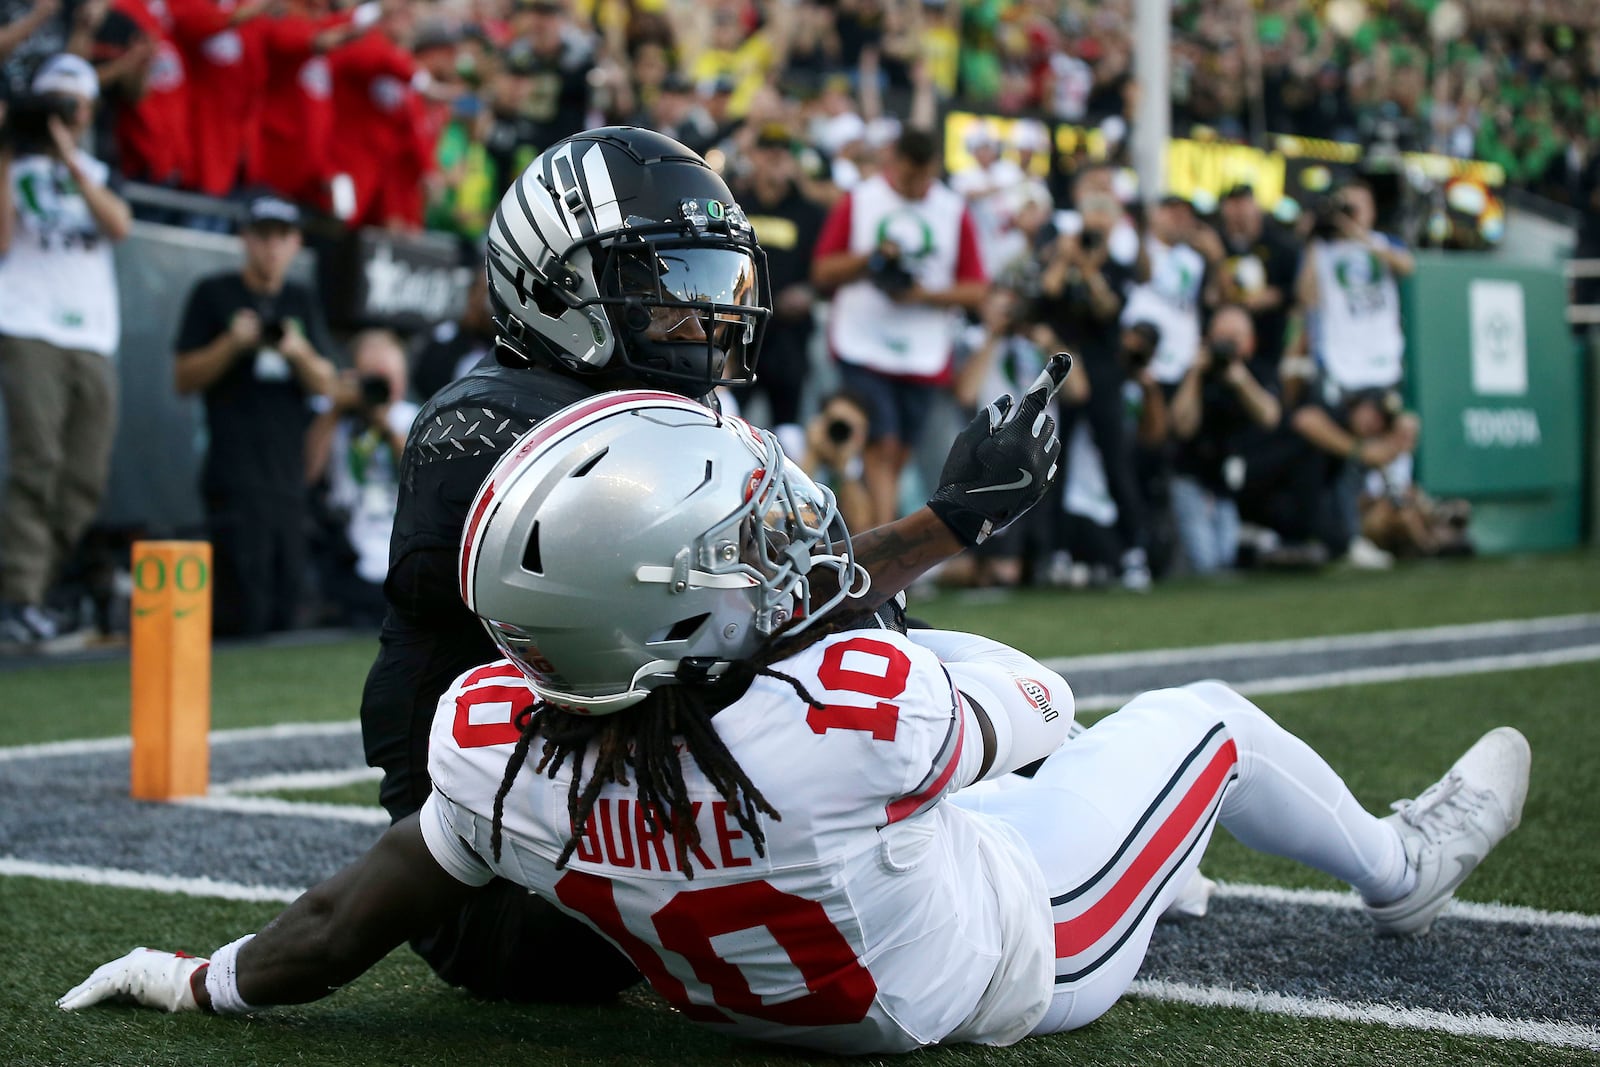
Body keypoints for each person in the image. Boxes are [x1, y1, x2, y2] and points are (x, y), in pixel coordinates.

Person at [56, 390, 1531, 1056]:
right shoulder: (848, 715)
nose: (769, 550)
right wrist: (898, 563)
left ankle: (1172, 859)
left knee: (940, 776)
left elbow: (334, 919)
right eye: (733, 551)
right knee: (1192, 720)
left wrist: (195, 981)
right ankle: (1402, 866)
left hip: (788, 960)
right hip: (1005, 959)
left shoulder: (502, 740)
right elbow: (1038, 701)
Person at [354, 126, 1064, 1005]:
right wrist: (947, 521)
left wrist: (948, 523)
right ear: (554, 286)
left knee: (886, 649)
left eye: (710, 282)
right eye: (666, 290)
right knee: (872, 672)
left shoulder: (648, 408)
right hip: (507, 887)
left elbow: (805, 586)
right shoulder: (488, 428)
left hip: (610, 810)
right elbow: (776, 607)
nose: (702, 317)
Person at [0, 53, 131, 649]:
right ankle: (21, 596)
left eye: (72, 106)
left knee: (82, 478)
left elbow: (119, 225)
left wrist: (70, 159)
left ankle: (34, 588)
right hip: (28, 323)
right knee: (37, 463)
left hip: (94, 335)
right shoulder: (11, 165)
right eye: (53, 103)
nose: (63, 116)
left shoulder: (97, 168)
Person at [173, 192, 338, 636]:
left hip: (287, 475)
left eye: (281, 237)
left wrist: (296, 350)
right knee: (240, 608)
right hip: (233, 472)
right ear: (245, 238)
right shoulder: (214, 294)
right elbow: (183, 378)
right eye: (262, 236)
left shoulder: (301, 300)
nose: (271, 248)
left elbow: (328, 383)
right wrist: (233, 343)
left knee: (285, 607)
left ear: (295, 243)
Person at [811, 125, 989, 527]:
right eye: (909, 177)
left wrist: (922, 295)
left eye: (924, 178)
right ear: (894, 162)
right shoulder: (860, 200)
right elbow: (822, 270)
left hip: (922, 351)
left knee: (898, 451)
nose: (915, 187)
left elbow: (977, 289)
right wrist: (871, 259)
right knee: (881, 445)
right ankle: (881, 542)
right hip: (861, 343)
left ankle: (869, 538)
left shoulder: (952, 209)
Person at [305, 329, 417, 627]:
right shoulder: (334, 418)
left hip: (404, 561)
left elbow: (420, 475)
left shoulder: (415, 419)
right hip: (347, 560)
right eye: (373, 377)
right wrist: (335, 408)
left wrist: (386, 427)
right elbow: (308, 472)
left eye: (388, 377)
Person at [1167, 306, 1281, 576]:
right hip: (1191, 476)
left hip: (1228, 484)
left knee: (1225, 561)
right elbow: (1182, 427)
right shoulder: (1195, 372)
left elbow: (1270, 416)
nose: (1227, 346)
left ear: (1250, 343)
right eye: (1222, 337)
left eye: (1235, 338)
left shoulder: (1254, 372)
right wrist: (1195, 373)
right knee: (1206, 564)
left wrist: (1241, 381)